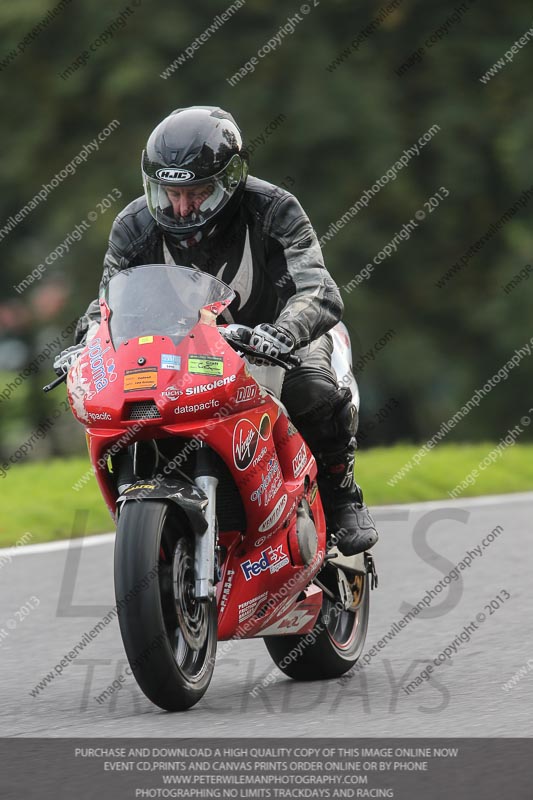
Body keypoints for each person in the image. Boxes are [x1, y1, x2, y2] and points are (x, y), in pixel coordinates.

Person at [56, 106, 378, 556]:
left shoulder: (274, 210)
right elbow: (108, 304)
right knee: (130, 411)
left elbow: (317, 288)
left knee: (311, 390)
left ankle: (343, 497)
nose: (182, 207)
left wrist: (283, 333)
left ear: (229, 181)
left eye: (198, 192)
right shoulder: (133, 227)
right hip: (181, 355)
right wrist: (86, 344)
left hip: (277, 343)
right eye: (169, 192)